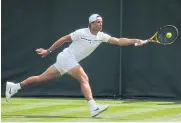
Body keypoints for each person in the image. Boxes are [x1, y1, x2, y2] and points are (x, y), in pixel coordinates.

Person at [5, 14, 147, 117]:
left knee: (41, 78)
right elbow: (64, 39)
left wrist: (136, 40)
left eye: (101, 22)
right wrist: (48, 51)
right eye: (97, 22)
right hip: (67, 57)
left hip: (65, 60)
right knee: (83, 78)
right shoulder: (81, 33)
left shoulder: (101, 36)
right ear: (90, 24)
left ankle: (14, 87)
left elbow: (119, 41)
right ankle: (93, 107)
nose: (100, 24)